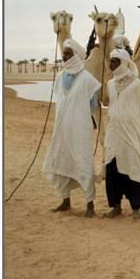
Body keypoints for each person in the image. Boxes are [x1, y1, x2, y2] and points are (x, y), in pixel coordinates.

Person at [42, 39, 101, 217]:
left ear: (75, 54)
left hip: (80, 129)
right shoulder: (60, 77)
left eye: (68, 53)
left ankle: (90, 205)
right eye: (64, 53)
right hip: (61, 128)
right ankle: (65, 201)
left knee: (83, 162)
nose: (64, 56)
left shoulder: (88, 79)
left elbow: (93, 105)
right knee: (61, 160)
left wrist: (78, 115)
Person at [103, 48, 140, 220]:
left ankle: (136, 209)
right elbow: (111, 107)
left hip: (131, 134)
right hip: (114, 133)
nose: (111, 64)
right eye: (111, 61)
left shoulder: (137, 85)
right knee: (112, 168)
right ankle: (116, 207)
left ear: (123, 62)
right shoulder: (110, 84)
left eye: (115, 61)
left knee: (133, 166)